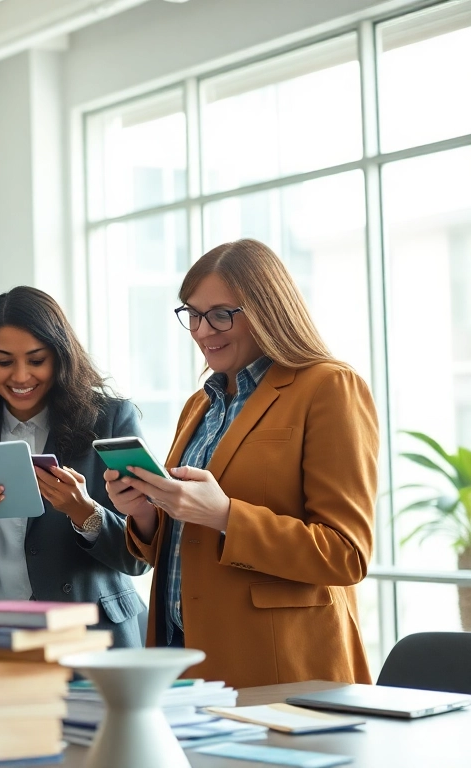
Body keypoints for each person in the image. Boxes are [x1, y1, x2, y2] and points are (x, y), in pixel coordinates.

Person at [105, 239, 377, 687]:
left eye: (220, 314)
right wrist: (144, 513)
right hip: (180, 656)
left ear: (268, 309)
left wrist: (226, 515)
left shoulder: (329, 387)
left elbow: (346, 554)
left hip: (278, 663)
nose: (202, 330)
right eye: (192, 314)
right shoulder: (200, 405)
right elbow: (184, 546)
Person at [0, 287, 149, 648]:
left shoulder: (110, 421)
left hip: (89, 637)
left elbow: (139, 559)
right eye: (4, 361)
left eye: (36, 360)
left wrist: (84, 512)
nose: (21, 376)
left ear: (60, 357)